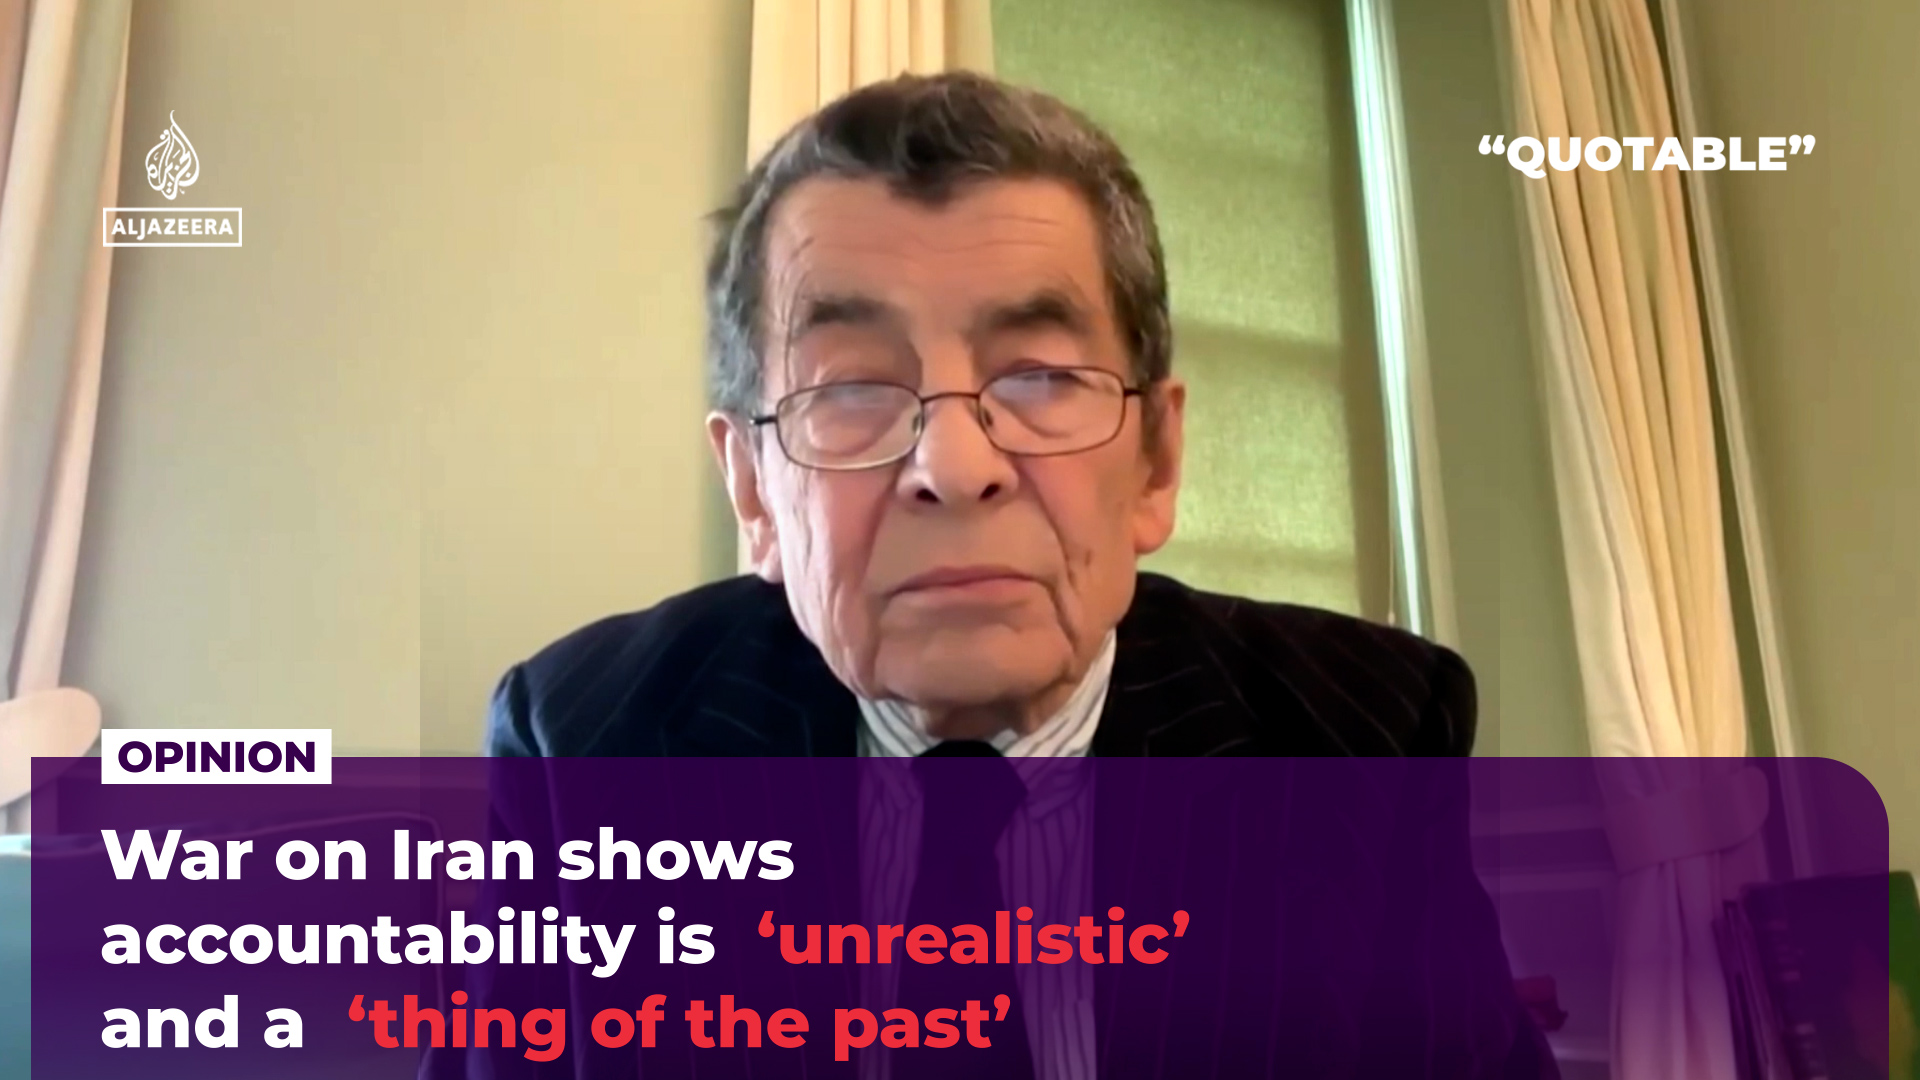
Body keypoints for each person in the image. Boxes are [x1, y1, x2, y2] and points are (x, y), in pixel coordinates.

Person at [472, 72, 1555, 1079]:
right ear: (753, 492)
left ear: (1155, 461)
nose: (955, 468)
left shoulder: (1363, 739)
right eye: (851, 388)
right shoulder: (587, 747)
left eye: (1038, 377)